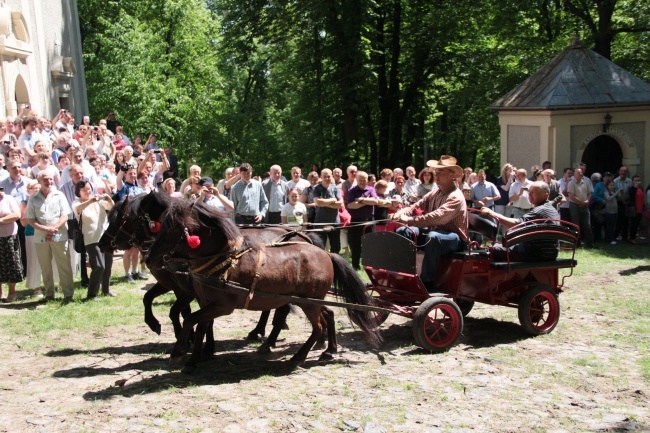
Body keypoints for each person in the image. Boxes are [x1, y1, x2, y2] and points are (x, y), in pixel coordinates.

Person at [391, 156, 469, 290]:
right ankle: (403, 275)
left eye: (441, 173)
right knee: (403, 231)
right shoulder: (435, 192)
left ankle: (427, 283)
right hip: (436, 232)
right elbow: (416, 206)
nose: (437, 176)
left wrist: (409, 220)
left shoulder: (455, 196)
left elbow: (437, 217)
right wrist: (401, 213)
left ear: (452, 175)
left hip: (455, 239)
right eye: (436, 172)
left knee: (433, 237)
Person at [24, 172, 75, 302]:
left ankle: (68, 294)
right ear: (39, 181)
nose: (49, 182)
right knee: (45, 266)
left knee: (64, 265)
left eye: (51, 179)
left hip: (59, 235)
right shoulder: (33, 198)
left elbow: (65, 215)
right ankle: (49, 294)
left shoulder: (59, 195)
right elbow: (30, 219)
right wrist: (45, 229)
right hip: (40, 236)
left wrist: (54, 228)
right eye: (45, 179)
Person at [481, 182, 561, 262]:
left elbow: (517, 224)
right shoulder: (551, 209)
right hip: (549, 254)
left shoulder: (540, 210)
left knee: (492, 251)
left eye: (533, 192)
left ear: (545, 195)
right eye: (529, 192)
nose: (529, 195)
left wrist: (492, 213)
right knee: (499, 246)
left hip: (534, 254)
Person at [72, 181, 115, 299]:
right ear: (78, 192)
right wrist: (90, 201)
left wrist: (108, 198)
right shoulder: (77, 203)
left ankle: (106, 290)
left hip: (105, 237)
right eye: (84, 190)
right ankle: (92, 293)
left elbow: (112, 207)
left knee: (108, 265)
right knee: (99, 266)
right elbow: (78, 210)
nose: (87, 191)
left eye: (89, 189)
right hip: (91, 239)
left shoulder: (99, 202)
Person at [346, 171, 378, 270]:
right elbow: (351, 205)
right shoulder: (352, 190)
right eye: (360, 180)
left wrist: (360, 200)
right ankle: (355, 266)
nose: (362, 181)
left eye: (364, 180)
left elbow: (375, 201)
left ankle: (369, 266)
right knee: (355, 244)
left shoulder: (371, 189)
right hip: (356, 221)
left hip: (369, 220)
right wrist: (367, 200)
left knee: (370, 243)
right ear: (356, 180)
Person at [312, 168, 343, 253]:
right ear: (321, 177)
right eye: (324, 176)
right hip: (320, 222)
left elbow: (340, 204)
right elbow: (318, 203)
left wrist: (324, 202)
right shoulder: (316, 188)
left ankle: (334, 265)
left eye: (328, 176)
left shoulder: (336, 188)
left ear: (331, 176)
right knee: (320, 247)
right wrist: (333, 200)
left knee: (336, 247)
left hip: (334, 222)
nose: (326, 178)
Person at [0, 187, 22, 302]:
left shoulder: (8, 199)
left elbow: (17, 214)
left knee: (11, 263)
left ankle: (12, 293)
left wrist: (1, 221)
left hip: (9, 236)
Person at [568, 168, 595, 248]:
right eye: (578, 172)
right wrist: (582, 202)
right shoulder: (571, 183)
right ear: (574, 174)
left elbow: (590, 193)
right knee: (575, 225)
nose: (581, 173)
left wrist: (586, 201)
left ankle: (590, 243)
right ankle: (577, 243)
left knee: (587, 225)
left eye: (581, 172)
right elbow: (571, 196)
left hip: (585, 205)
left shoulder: (586, 182)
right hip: (575, 206)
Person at [602, 181, 622, 245]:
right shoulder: (606, 192)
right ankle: (609, 239)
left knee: (613, 226)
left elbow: (619, 197)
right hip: (609, 211)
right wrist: (616, 193)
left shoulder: (613, 192)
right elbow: (609, 199)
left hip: (615, 211)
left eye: (613, 185)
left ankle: (612, 238)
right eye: (610, 185)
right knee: (609, 226)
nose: (612, 187)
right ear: (607, 186)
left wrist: (619, 193)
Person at [627, 175, 644, 244]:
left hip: (640, 209)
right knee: (633, 224)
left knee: (637, 224)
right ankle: (632, 238)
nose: (637, 182)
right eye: (635, 180)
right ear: (633, 181)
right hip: (634, 209)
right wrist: (635, 188)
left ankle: (634, 237)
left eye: (638, 180)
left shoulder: (641, 189)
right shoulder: (632, 189)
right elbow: (631, 197)